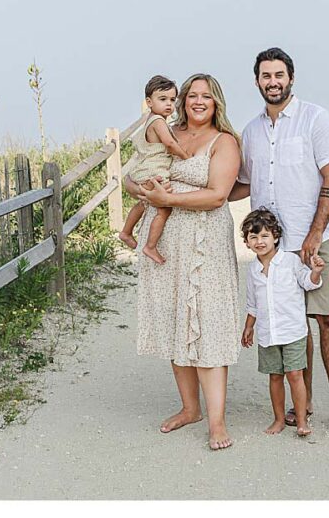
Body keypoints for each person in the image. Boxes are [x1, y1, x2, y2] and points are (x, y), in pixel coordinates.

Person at [229, 47, 329, 437]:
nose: (273, 81)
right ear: (256, 81)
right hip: (274, 250)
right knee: (291, 325)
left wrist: (315, 233)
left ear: (291, 78)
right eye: (265, 75)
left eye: (279, 74)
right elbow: (242, 184)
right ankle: (306, 403)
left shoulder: (315, 119)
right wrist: (196, 194)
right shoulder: (250, 132)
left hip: (317, 239)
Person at [125, 73, 242, 451]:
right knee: (177, 320)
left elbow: (217, 196)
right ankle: (190, 409)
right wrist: (145, 190)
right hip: (164, 244)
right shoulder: (164, 131)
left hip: (204, 243)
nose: (197, 101)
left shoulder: (224, 142)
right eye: (192, 95)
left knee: (207, 323)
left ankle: (218, 421)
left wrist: (167, 200)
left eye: (206, 96)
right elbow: (130, 176)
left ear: (216, 102)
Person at [239, 208, 324, 438]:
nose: (259, 241)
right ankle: (278, 419)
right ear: (246, 242)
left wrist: (315, 272)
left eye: (265, 235)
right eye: (253, 237)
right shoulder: (253, 270)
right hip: (268, 333)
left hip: (293, 331)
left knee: (295, 375)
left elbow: (308, 283)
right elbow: (252, 303)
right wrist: (249, 327)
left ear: (276, 236)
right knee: (274, 376)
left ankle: (301, 420)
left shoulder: (290, 261)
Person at [118, 75, 191, 265]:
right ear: (149, 102)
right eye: (162, 99)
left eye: (172, 100)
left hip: (144, 171)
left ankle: (126, 232)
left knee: (143, 202)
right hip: (153, 172)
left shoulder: (150, 120)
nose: (169, 104)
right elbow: (169, 143)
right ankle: (150, 246)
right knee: (164, 209)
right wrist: (185, 156)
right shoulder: (158, 122)